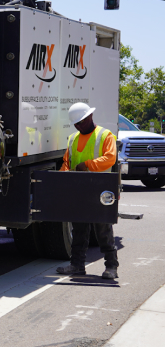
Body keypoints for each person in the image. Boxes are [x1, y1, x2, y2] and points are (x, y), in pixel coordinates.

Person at [56, 102, 119, 279]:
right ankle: (77, 265)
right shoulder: (72, 138)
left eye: (81, 122)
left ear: (90, 117)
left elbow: (110, 158)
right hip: (79, 190)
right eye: (76, 124)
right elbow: (67, 163)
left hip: (99, 189)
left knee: (103, 230)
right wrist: (62, 177)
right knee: (79, 230)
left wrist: (87, 165)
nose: (78, 125)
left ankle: (111, 266)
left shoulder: (105, 135)